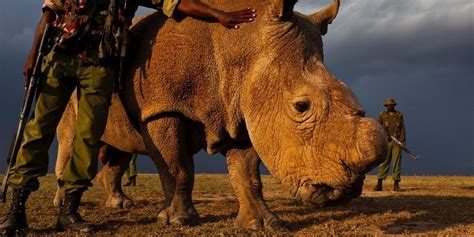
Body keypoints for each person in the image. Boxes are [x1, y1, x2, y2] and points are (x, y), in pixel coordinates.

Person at [0, 0, 256, 234]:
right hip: (60, 59)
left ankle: (69, 211)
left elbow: (177, 3)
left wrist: (219, 15)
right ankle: (17, 208)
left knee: (88, 138)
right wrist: (33, 55)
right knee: (38, 131)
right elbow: (49, 13)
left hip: (100, 67)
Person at [374, 98, 406, 192]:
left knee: (396, 163)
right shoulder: (382, 115)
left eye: (392, 105)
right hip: (386, 142)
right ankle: (379, 184)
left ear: (394, 105)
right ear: (386, 106)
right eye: (388, 105)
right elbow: (378, 127)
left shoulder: (399, 115)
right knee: (384, 162)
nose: (390, 106)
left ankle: (396, 184)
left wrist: (402, 140)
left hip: (397, 142)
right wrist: (384, 136)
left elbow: (403, 128)